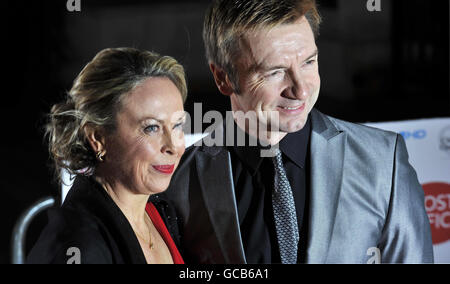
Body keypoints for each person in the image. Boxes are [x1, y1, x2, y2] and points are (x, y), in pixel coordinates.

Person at [160, 0, 434, 263]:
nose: (301, 89)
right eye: (275, 72)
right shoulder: (179, 181)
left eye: (308, 62)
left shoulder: (384, 162)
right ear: (223, 78)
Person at [27, 47, 187, 264]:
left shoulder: (162, 212)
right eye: (151, 128)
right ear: (98, 138)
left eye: (177, 125)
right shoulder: (78, 243)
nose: (172, 146)